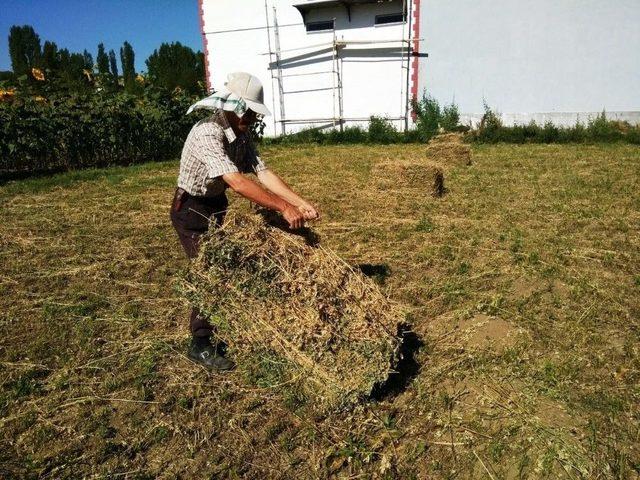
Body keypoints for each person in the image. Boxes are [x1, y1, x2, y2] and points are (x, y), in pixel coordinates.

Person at [170, 72, 319, 371]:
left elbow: (262, 173)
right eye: (249, 112)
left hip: (216, 205)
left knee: (223, 267)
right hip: (191, 209)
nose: (252, 118)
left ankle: (220, 318)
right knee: (209, 271)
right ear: (234, 106)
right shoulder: (207, 133)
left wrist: (297, 202)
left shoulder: (242, 134)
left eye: (253, 113)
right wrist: (282, 209)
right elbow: (237, 182)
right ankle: (200, 343)